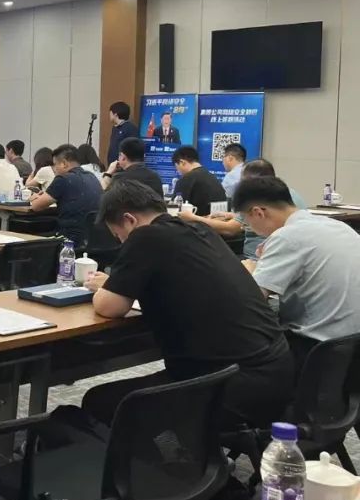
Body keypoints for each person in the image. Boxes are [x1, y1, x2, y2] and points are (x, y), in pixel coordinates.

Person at [81, 181, 293, 429]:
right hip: (275, 372)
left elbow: (109, 307)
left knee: (100, 400)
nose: (121, 242)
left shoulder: (145, 236)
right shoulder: (200, 230)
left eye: (118, 236)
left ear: (129, 220)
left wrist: (103, 287)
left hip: (228, 385)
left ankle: (172, 452)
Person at [236, 177, 360, 368]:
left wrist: (248, 273)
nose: (249, 229)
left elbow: (251, 300)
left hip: (317, 349)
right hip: (351, 346)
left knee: (243, 354)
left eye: (247, 224)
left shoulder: (287, 236)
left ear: (258, 212)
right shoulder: (338, 226)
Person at [184, 159, 306, 259]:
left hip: (254, 257)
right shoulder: (289, 194)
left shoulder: (255, 198)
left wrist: (193, 218)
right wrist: (232, 215)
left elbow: (230, 229)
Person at [29, 144, 102, 247]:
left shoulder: (62, 179)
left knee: (30, 240)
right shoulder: (92, 177)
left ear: (64, 163)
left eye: (55, 165)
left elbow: (36, 206)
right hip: (92, 239)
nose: (54, 169)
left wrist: (35, 198)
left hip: (69, 239)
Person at [172, 145, 226, 216]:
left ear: (182, 162)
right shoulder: (213, 177)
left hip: (196, 221)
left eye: (177, 167)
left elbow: (174, 208)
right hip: (219, 220)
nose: (178, 171)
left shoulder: (185, 180)